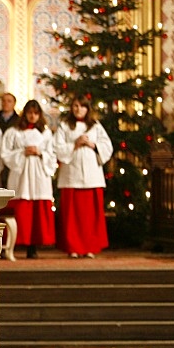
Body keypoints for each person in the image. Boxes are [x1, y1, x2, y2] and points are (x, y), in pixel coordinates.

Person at [54, 95, 113, 258]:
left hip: (92, 175)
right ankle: (73, 247)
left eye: (82, 106)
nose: (78, 109)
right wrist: (75, 144)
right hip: (72, 175)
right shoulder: (65, 126)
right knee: (72, 216)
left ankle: (90, 246)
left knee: (90, 216)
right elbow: (57, 147)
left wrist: (93, 145)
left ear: (87, 109)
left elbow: (107, 146)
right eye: (75, 106)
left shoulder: (95, 126)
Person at [0, 100, 56, 259]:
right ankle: (13, 244)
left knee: (36, 212)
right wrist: (22, 153)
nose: (32, 116)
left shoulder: (45, 133)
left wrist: (40, 152)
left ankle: (33, 247)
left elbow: (52, 155)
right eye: (30, 113)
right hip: (21, 175)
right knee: (20, 210)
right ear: (25, 114)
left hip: (38, 175)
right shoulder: (13, 132)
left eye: (36, 113)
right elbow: (5, 153)